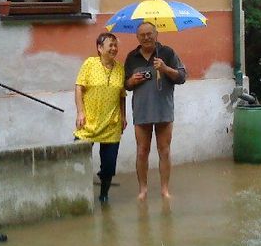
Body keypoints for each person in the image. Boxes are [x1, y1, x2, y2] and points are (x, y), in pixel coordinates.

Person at [124, 22, 186, 200]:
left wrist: (165, 68)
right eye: (142, 35)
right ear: (137, 37)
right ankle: (142, 189)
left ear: (156, 34)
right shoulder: (131, 57)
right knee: (142, 151)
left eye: (149, 33)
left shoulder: (167, 53)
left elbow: (182, 77)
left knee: (164, 150)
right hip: (142, 111)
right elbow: (125, 84)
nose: (146, 37)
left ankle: (164, 190)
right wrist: (132, 81)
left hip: (163, 110)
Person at [74, 32, 127, 203]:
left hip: (111, 124)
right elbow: (79, 88)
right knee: (77, 158)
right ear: (99, 48)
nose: (114, 48)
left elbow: (122, 95)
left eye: (115, 45)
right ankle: (78, 194)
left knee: (109, 165)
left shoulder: (120, 68)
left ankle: (104, 195)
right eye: (110, 45)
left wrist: (123, 116)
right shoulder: (89, 64)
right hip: (89, 122)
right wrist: (80, 112)